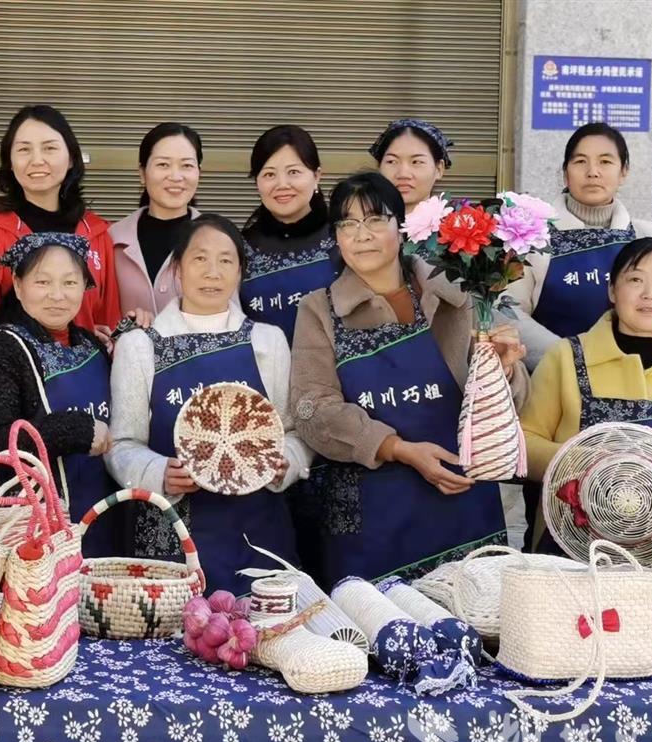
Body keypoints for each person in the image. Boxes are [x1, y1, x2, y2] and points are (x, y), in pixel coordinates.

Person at [290, 172, 527, 589]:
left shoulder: (455, 297)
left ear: (400, 228)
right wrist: (397, 448)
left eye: (374, 220)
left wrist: (503, 370)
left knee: (474, 616)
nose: (361, 235)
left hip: (461, 500)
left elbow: (510, 403)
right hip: (372, 517)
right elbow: (313, 411)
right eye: (348, 223)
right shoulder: (318, 310)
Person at [107, 214, 311, 595]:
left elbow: (295, 432)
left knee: (264, 628)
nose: (212, 272)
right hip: (172, 540)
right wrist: (158, 472)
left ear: (240, 272)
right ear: (177, 269)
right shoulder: (140, 345)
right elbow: (120, 444)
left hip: (258, 533)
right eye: (200, 258)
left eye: (226, 260)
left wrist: (286, 463)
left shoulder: (268, 341)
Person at [520, 238, 652, 614]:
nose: (650, 294)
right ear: (612, 290)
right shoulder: (567, 358)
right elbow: (525, 443)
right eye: (635, 279)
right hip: (575, 558)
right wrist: (592, 468)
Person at [0, 232, 123, 556]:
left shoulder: (91, 344)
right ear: (18, 285)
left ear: (85, 286)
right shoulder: (0, 349)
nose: (57, 295)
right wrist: (75, 430)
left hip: (100, 518)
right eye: (42, 282)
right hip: (31, 535)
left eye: (70, 282)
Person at [504, 122, 652, 369]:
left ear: (623, 172)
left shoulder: (647, 236)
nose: (593, 172)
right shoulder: (534, 239)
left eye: (605, 161)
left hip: (638, 381)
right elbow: (508, 313)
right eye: (580, 161)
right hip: (556, 379)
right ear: (565, 173)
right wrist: (571, 362)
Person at [0, 105, 121, 356]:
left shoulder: (97, 233)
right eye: (24, 149)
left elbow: (109, 320)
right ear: (9, 161)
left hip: (86, 373)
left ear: (71, 158)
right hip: (10, 374)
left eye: (49, 148)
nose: (37, 160)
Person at [239, 125, 339, 345]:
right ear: (257, 182)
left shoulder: (344, 237)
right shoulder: (240, 248)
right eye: (269, 174)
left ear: (317, 176)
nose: (282, 184)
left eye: (293, 172)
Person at [109, 123, 202, 320]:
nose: (176, 176)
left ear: (198, 173)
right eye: (163, 165)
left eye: (186, 165)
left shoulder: (219, 240)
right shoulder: (111, 239)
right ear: (142, 173)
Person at [370, 118, 453, 211]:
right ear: (379, 167)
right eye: (392, 161)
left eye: (416, 162)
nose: (403, 174)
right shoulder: (360, 219)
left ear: (438, 169)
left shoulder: (458, 219)